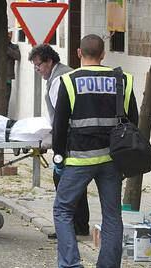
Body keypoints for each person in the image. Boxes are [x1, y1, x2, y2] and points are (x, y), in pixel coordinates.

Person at [52, 34, 138, 267]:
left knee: (62, 210)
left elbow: (59, 125)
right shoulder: (123, 80)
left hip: (78, 160)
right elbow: (133, 123)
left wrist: (59, 159)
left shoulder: (69, 81)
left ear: (79, 53)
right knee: (112, 216)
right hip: (112, 160)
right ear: (103, 55)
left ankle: (71, 264)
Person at [28, 44, 90, 237]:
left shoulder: (59, 80)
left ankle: (70, 227)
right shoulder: (64, 75)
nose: (37, 70)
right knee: (77, 184)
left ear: (49, 61)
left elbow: (61, 117)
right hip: (77, 138)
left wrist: (57, 148)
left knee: (63, 182)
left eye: (39, 65)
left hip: (69, 140)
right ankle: (80, 225)